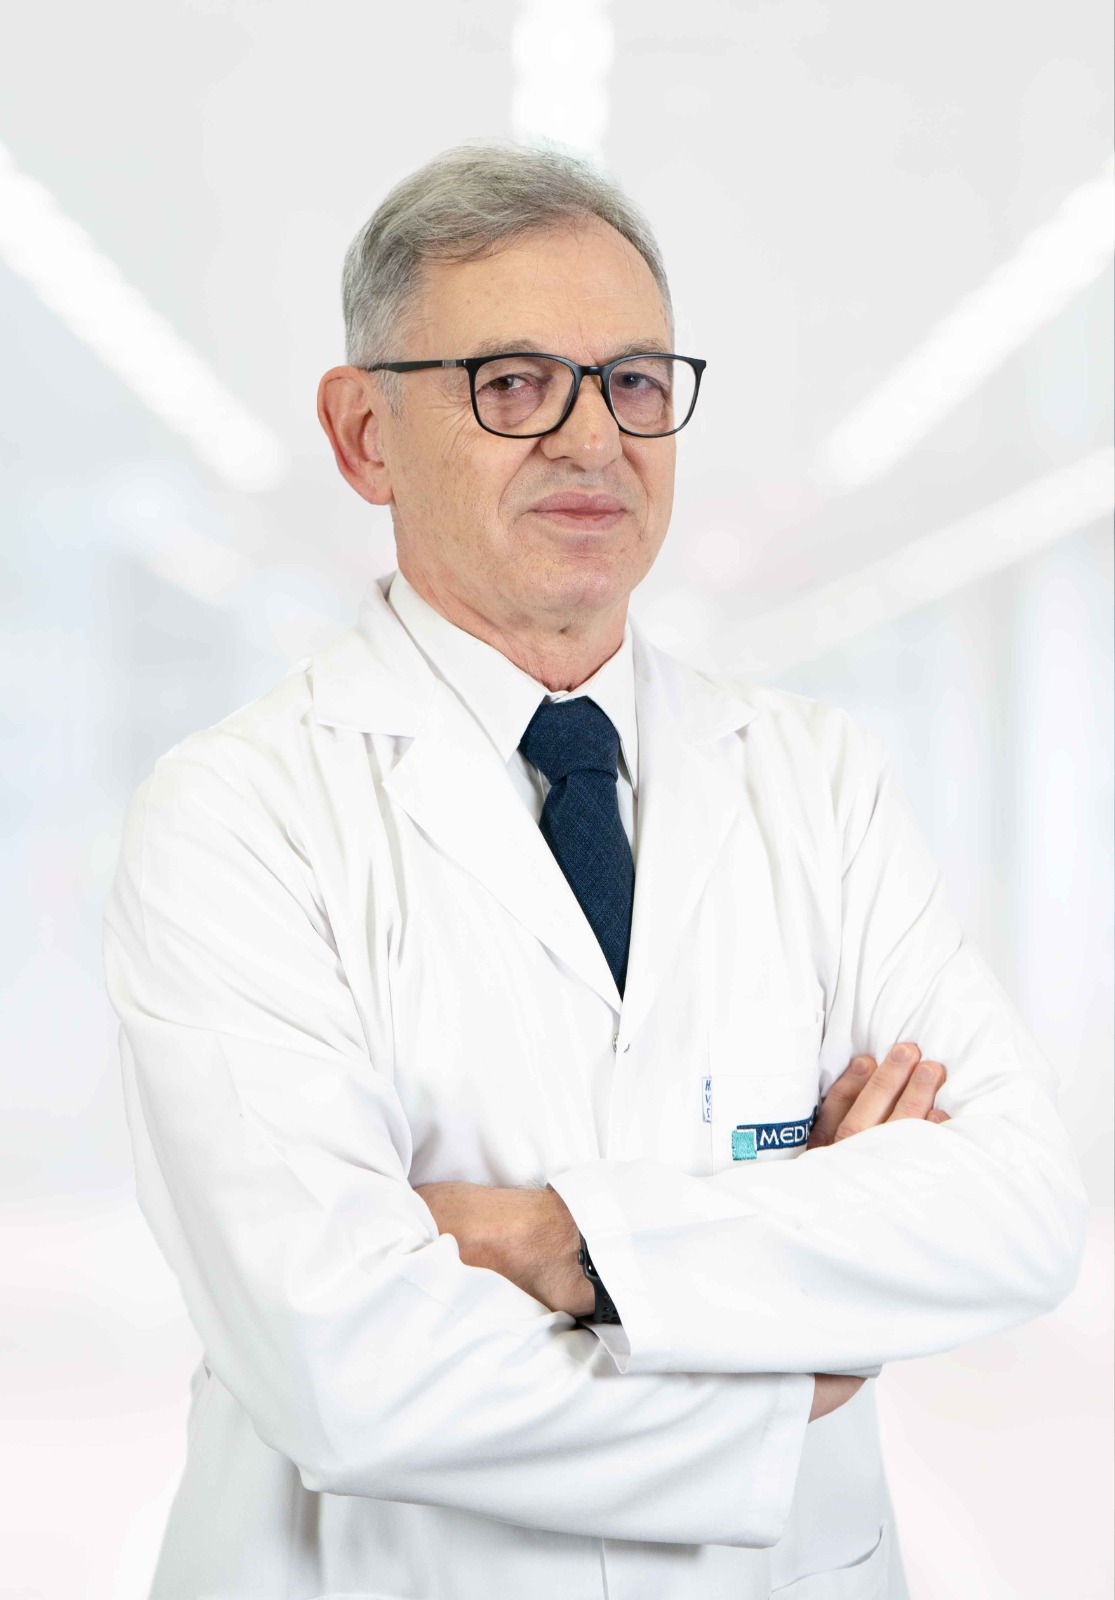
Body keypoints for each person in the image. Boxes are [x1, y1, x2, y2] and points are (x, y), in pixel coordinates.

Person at [102, 142, 1088, 1600]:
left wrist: (557, 1243)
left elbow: (1017, 1210)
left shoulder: (817, 780)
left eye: (632, 381)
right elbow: (347, 1369)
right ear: (365, 435)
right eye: (512, 384)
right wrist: (789, 1354)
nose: (592, 438)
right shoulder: (237, 817)